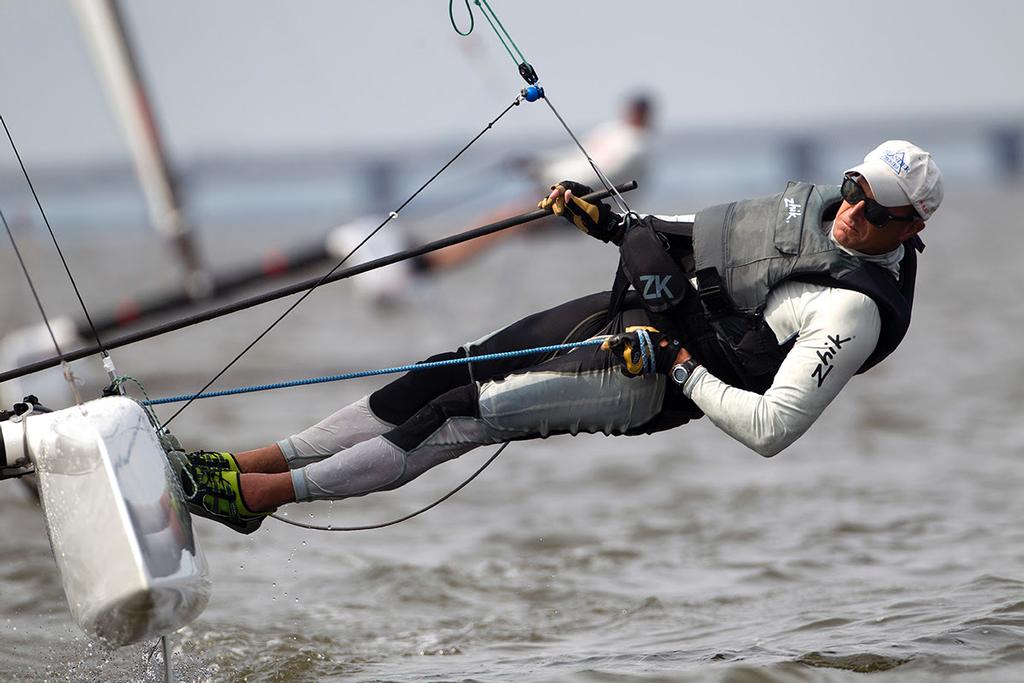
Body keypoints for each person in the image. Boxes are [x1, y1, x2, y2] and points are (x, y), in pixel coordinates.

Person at [179, 140, 944, 534]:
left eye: (877, 211)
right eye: (853, 190)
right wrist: (608, 220)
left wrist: (677, 365)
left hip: (649, 376)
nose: (853, 212)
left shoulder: (855, 311)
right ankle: (243, 463)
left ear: (911, 226)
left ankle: (255, 497)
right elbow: (701, 237)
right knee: (446, 369)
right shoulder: (819, 214)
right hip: (634, 313)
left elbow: (771, 427)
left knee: (457, 410)